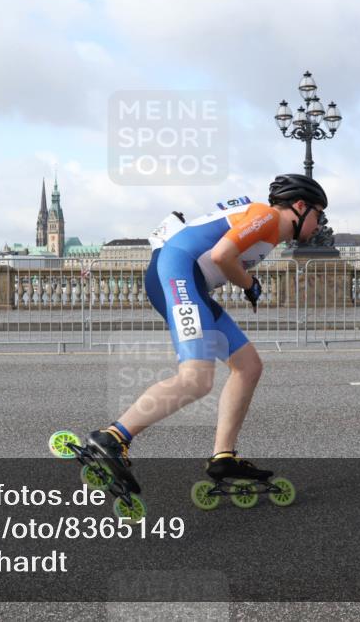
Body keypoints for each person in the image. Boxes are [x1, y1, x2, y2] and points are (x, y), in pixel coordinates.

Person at [86, 173, 329, 491]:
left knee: (248, 366)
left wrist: (246, 282)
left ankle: (223, 456)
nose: (321, 224)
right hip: (177, 274)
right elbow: (222, 255)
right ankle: (112, 438)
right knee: (196, 379)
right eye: (319, 214)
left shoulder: (269, 232)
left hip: (191, 283)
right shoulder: (267, 216)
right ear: (299, 206)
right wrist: (249, 284)